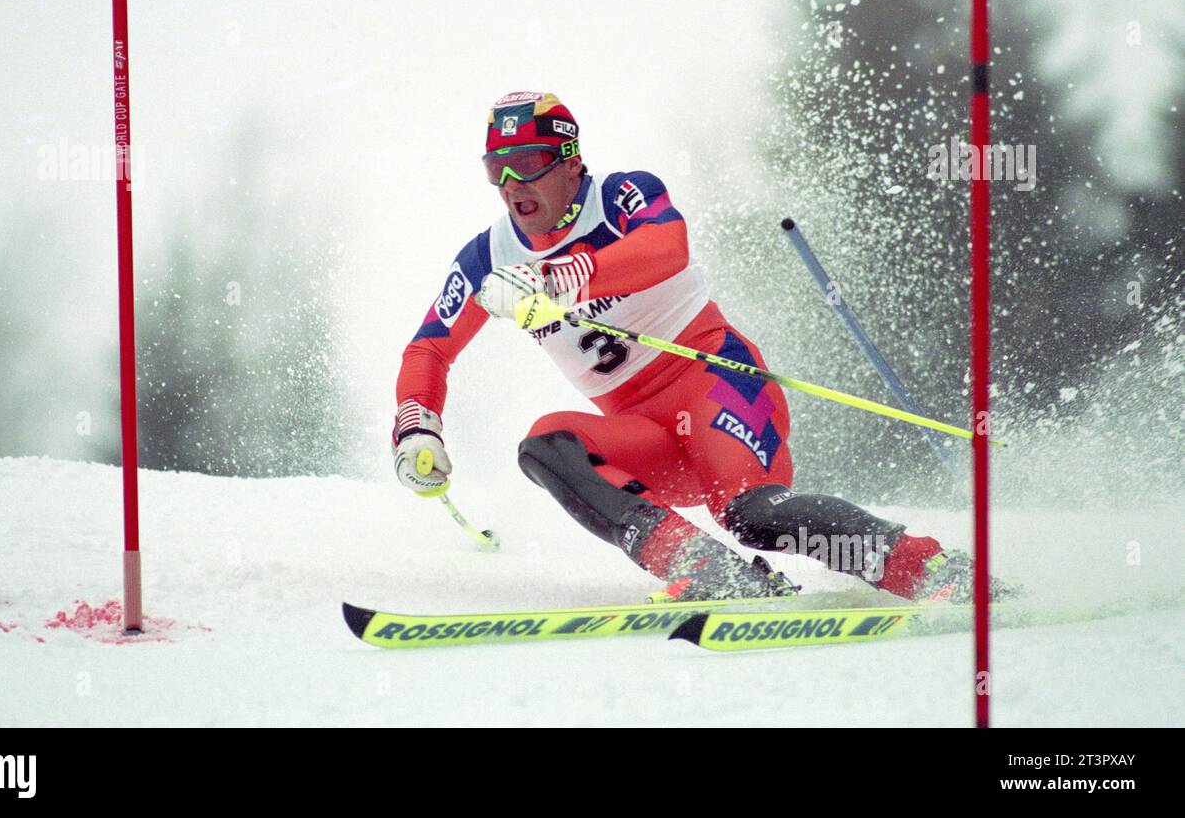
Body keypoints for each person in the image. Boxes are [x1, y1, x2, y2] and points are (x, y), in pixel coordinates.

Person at [392, 91, 990, 603]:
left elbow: (666, 249)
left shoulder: (624, 195)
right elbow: (428, 350)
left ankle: (932, 569)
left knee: (751, 516)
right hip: (644, 433)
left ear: (570, 161)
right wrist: (417, 426)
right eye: (497, 169)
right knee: (546, 445)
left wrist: (561, 277)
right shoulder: (489, 258)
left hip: (718, 386)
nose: (512, 186)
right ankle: (702, 567)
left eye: (528, 164)